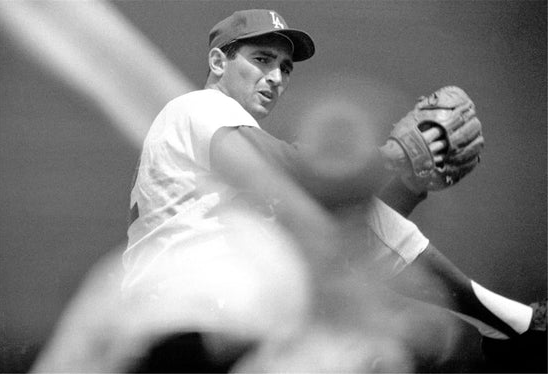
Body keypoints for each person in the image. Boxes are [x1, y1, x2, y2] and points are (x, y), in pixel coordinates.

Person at [121, 9, 545, 372]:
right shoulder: (197, 107)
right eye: (262, 59)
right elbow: (305, 175)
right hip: (179, 317)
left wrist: (409, 186)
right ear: (218, 61)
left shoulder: (236, 179)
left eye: (284, 68)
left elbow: (347, 237)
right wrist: (393, 156)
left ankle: (511, 327)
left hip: (201, 327)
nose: (275, 76)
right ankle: (516, 326)